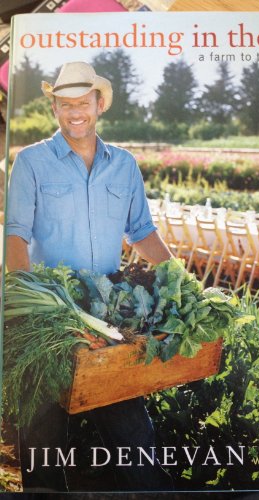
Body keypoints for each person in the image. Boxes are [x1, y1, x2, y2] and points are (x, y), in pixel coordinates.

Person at [6, 61, 173, 492]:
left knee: (130, 429)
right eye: (64, 105)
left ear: (100, 104)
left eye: (82, 103)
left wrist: (180, 279)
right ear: (55, 109)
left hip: (106, 315)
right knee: (42, 435)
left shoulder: (124, 165)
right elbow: (16, 236)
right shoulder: (32, 162)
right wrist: (31, 303)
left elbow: (142, 232)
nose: (74, 112)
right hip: (51, 318)